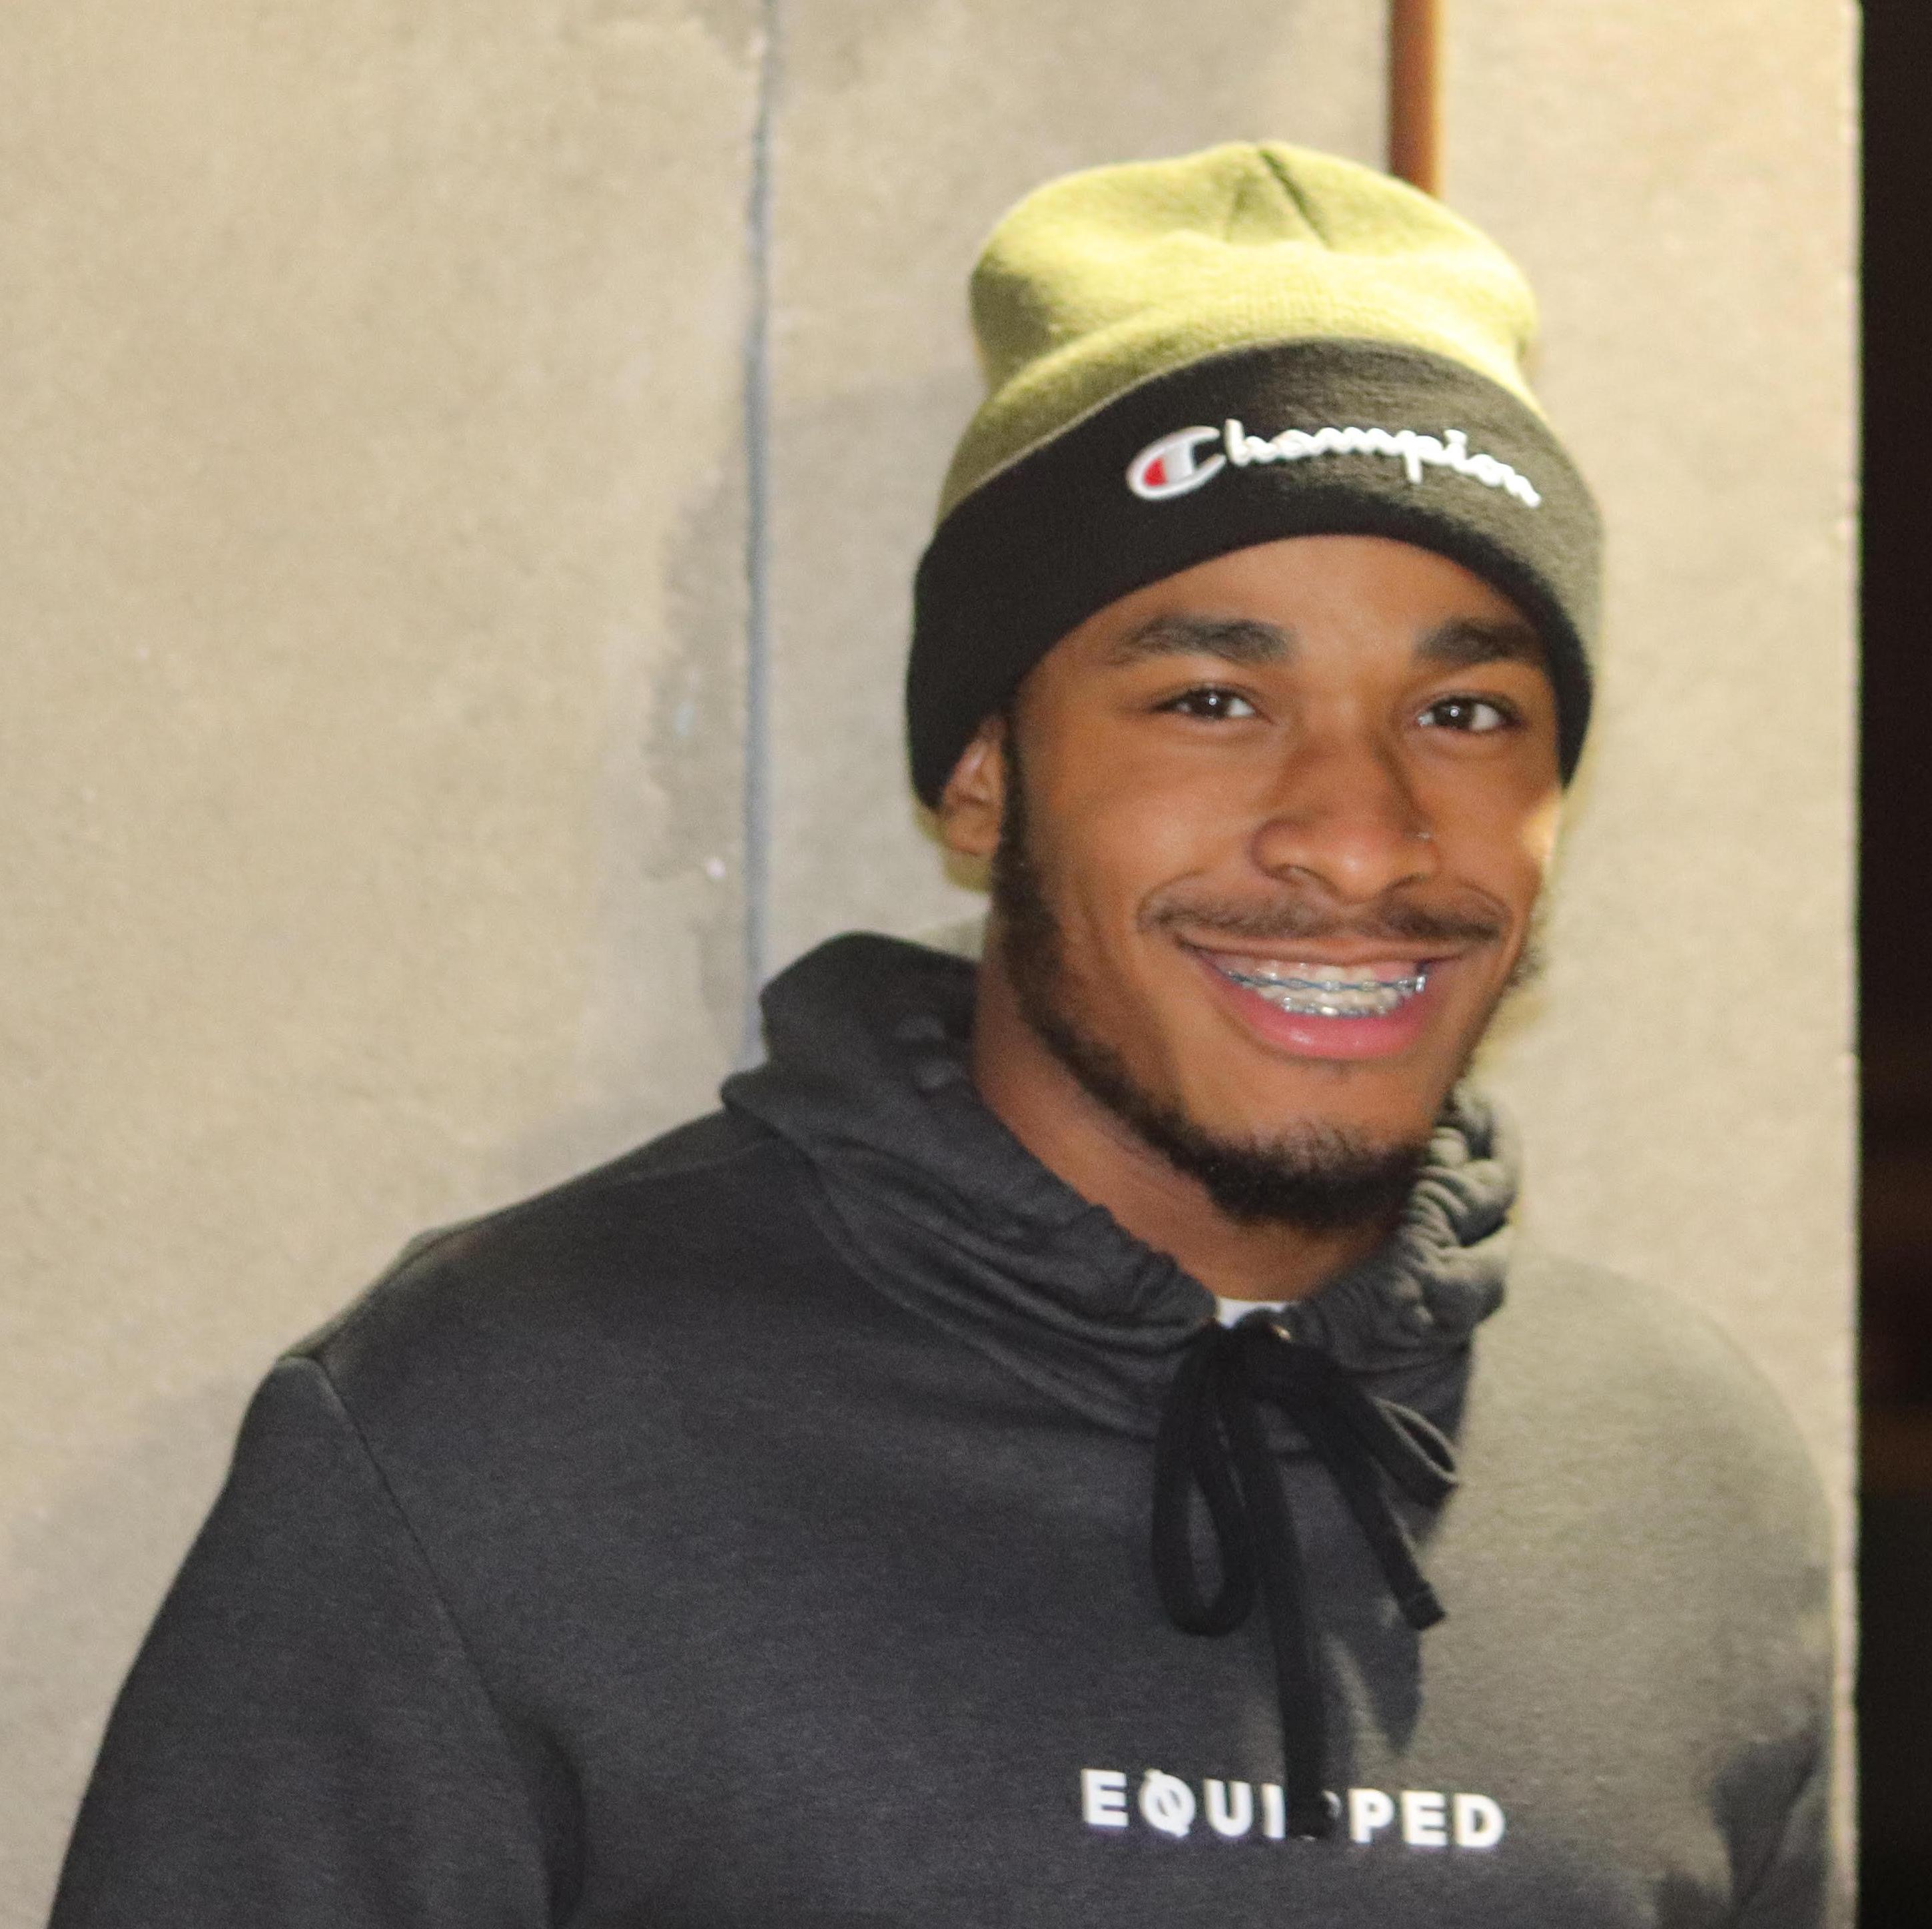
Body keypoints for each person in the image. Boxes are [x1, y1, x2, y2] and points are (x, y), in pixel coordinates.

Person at [49, 143, 1830, 1928]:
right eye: (1213, 697)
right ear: (982, 775)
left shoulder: (1688, 1475)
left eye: (1466, 711)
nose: (1360, 840)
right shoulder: (503, 1427)